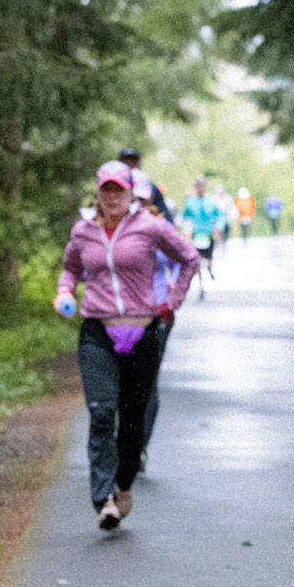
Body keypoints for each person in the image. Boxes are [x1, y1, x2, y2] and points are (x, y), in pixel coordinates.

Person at [55, 160, 200, 530]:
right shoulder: (83, 231)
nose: (113, 196)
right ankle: (103, 498)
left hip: (142, 333)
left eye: (120, 189)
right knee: (102, 412)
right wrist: (64, 291)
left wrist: (173, 300)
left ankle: (122, 486)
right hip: (98, 333)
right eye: (107, 190)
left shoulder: (150, 227)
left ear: (130, 192)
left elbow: (189, 258)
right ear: (98, 194)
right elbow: (70, 268)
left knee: (132, 421)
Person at [130, 168, 180, 472]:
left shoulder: (161, 228)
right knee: (123, 383)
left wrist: (173, 287)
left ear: (150, 196)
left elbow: (182, 260)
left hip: (157, 316)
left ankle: (140, 446)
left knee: (148, 383)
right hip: (119, 317)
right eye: (129, 196)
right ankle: (125, 442)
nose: (134, 202)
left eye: (140, 196)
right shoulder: (111, 230)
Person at [180, 177, 222, 292]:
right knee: (197, 261)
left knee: (208, 261)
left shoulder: (211, 200)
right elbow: (185, 218)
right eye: (198, 185)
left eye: (202, 185)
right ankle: (200, 283)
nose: (200, 187)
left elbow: (218, 217)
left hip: (208, 234)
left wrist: (217, 230)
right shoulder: (190, 201)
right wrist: (185, 233)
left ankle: (209, 269)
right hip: (195, 234)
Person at [118, 145, 171, 218]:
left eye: (133, 162)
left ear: (139, 164)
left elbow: (165, 216)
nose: (129, 166)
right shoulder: (114, 186)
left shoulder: (151, 186)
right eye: (126, 163)